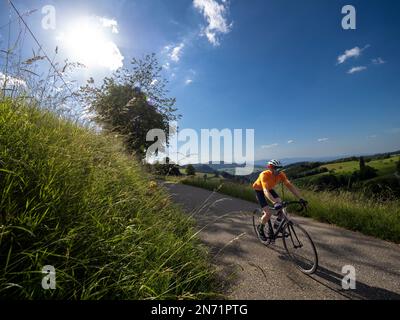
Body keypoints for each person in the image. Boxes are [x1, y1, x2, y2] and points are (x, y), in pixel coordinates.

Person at [253, 159, 307, 241]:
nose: (278, 170)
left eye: (279, 168)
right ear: (269, 167)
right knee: (268, 213)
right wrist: (274, 202)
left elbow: (290, 186)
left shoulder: (281, 174)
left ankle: (277, 224)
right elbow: (265, 191)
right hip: (259, 190)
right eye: (275, 168)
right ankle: (260, 229)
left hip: (269, 188)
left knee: (282, 206)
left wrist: (300, 198)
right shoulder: (264, 174)